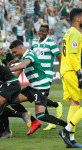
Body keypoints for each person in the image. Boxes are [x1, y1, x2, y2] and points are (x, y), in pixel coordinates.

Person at [9, 40, 67, 136]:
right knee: (12, 100)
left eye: (15, 52)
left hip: (41, 86)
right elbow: (16, 75)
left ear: (21, 48)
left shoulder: (30, 54)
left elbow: (22, 65)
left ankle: (66, 125)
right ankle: (34, 122)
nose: (14, 54)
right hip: (33, 87)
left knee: (41, 115)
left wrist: (6, 69)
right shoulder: (24, 57)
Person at [31, 23, 62, 130]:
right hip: (36, 74)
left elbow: (59, 57)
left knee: (41, 98)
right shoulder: (34, 42)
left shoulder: (51, 43)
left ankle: (51, 121)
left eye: (44, 31)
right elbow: (30, 55)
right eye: (40, 31)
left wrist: (62, 70)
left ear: (47, 33)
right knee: (40, 98)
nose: (41, 33)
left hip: (47, 74)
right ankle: (56, 105)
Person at [58, 8, 82, 148]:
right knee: (76, 103)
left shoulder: (67, 33)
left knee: (74, 104)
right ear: (78, 18)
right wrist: (79, 73)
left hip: (65, 71)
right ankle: (66, 131)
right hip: (72, 71)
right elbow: (73, 55)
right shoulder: (76, 33)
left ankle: (71, 140)